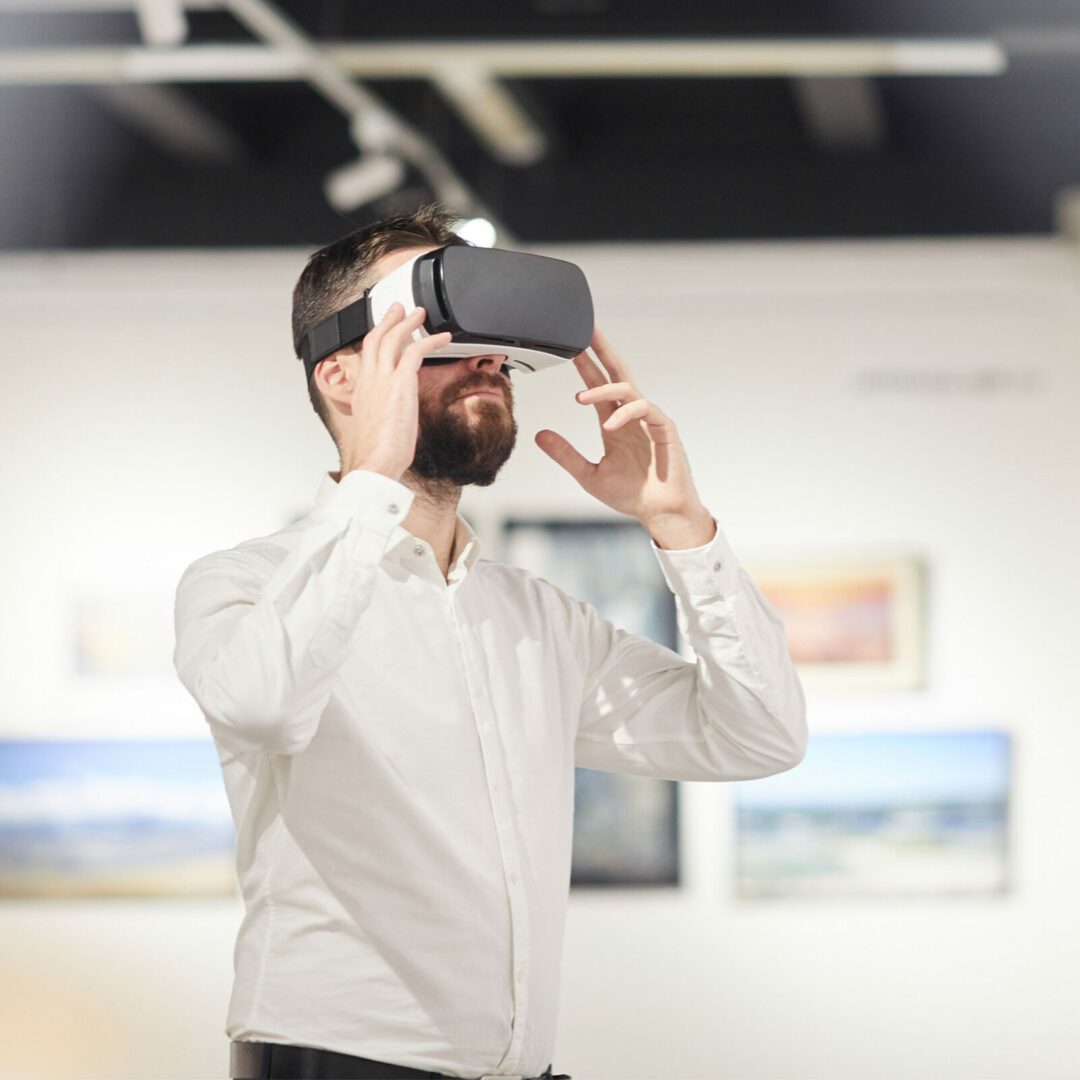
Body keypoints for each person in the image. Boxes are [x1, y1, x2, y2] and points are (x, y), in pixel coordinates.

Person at [173, 205, 807, 1080]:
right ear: (341, 375)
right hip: (338, 1063)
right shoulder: (242, 585)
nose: (488, 360)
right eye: (433, 330)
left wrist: (683, 528)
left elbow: (759, 734)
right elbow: (265, 706)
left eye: (497, 347)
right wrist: (371, 479)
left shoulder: (537, 620)